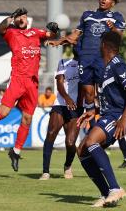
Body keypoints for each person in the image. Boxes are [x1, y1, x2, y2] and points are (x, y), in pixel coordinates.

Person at [0, 8, 58, 172]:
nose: (22, 18)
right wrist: (10, 17)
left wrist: (54, 29)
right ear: (15, 20)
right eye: (19, 17)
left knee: (27, 119)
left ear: (27, 19)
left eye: (24, 16)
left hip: (32, 83)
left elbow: (52, 36)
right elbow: (0, 29)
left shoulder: (36, 32)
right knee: (3, 113)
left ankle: (15, 152)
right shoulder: (11, 33)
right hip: (17, 80)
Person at [76, 31, 126, 207]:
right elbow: (111, 97)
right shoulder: (106, 67)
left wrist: (124, 118)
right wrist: (93, 110)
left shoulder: (117, 64)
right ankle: (106, 194)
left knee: (91, 142)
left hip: (119, 115)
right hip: (109, 113)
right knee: (81, 150)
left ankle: (115, 188)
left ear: (104, 45)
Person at [48, 0, 126, 118]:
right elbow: (75, 35)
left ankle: (111, 114)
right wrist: (60, 41)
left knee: (104, 89)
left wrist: (113, 28)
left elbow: (119, 37)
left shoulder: (116, 17)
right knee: (88, 92)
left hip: (102, 58)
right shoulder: (87, 15)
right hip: (85, 58)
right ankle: (90, 117)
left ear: (112, 3)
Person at [40, 51, 82, 180]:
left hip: (77, 107)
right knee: (51, 133)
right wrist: (67, 98)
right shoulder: (63, 62)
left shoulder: (87, 64)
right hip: (60, 104)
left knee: (70, 142)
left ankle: (67, 165)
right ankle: (45, 171)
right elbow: (59, 84)